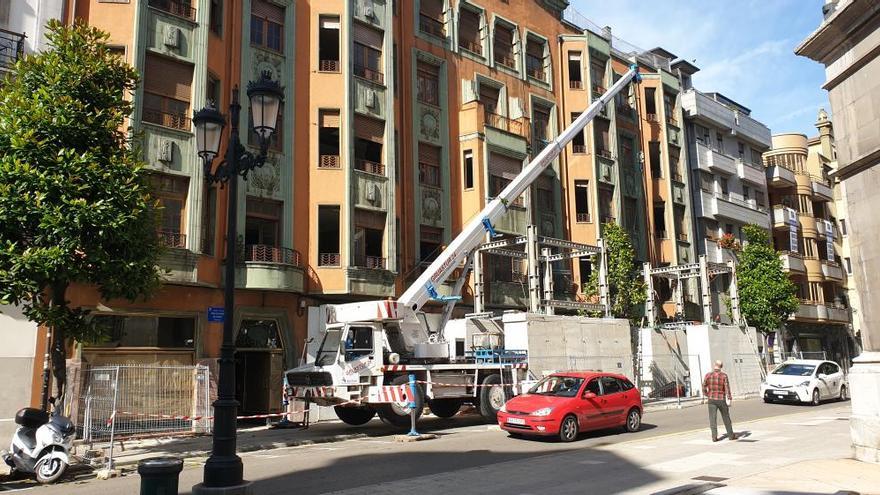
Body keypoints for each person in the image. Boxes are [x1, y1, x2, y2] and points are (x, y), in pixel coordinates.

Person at [703, 360, 736, 442]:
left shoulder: (708, 375)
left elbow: (703, 386)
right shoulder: (724, 376)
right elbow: (727, 388)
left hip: (711, 399)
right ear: (721, 366)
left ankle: (714, 437)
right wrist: (729, 398)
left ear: (715, 365)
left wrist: (707, 394)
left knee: (712, 419)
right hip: (721, 399)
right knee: (726, 418)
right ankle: (731, 435)